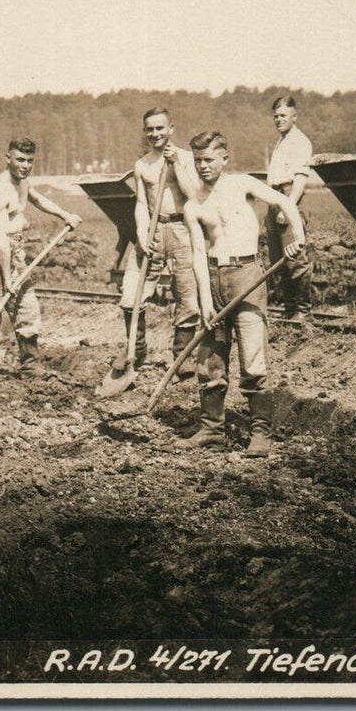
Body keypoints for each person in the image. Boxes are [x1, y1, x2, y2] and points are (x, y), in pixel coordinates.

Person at [180, 131, 305, 454]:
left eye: (209, 159)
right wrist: (205, 301)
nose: (203, 166)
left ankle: (260, 433)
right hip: (212, 278)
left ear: (224, 158)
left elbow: (284, 202)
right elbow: (196, 253)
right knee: (210, 360)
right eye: (197, 161)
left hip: (247, 275)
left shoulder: (243, 184)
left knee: (252, 357)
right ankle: (212, 430)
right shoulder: (194, 205)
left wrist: (296, 236)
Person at [0, 137, 82, 373]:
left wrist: (65, 215)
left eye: (29, 161)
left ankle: (30, 363)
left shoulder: (23, 183)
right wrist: (7, 278)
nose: (25, 165)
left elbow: (37, 199)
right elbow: (1, 238)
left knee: (27, 304)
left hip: (13, 246)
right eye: (20, 160)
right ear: (8, 158)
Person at [120, 108, 203, 375]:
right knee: (131, 293)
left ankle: (183, 357)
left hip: (182, 228)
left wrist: (176, 162)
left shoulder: (188, 159)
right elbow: (142, 204)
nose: (155, 134)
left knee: (188, 295)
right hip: (154, 229)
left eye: (160, 128)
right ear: (145, 132)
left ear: (171, 129)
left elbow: (193, 195)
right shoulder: (142, 165)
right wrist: (142, 238)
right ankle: (136, 349)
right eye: (150, 129)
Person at [265, 95, 315, 323]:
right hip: (274, 198)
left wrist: (288, 208)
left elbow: (299, 180)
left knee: (295, 258)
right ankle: (289, 309)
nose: (278, 120)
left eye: (283, 115)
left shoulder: (299, 141)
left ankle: (303, 311)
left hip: (288, 198)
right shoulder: (281, 141)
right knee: (280, 260)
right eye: (275, 116)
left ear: (294, 116)